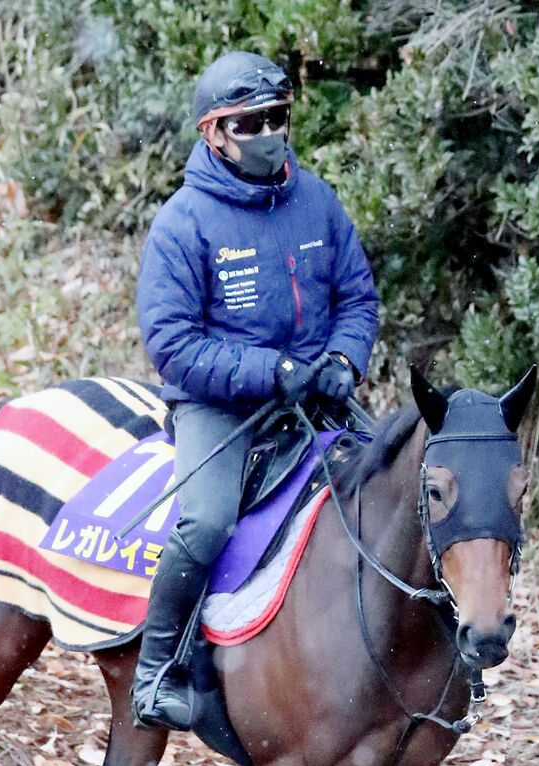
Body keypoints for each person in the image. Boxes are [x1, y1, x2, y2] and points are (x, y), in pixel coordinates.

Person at [132, 50, 380, 730]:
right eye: (252, 123)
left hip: (318, 396)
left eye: (279, 118)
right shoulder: (182, 224)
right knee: (206, 522)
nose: (271, 133)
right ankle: (157, 672)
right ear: (214, 133)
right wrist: (267, 372)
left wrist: (342, 359)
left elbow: (358, 298)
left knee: (401, 492)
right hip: (222, 408)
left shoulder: (318, 200)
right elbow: (172, 345)